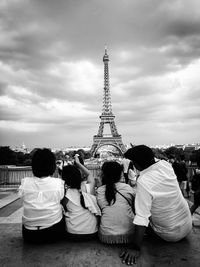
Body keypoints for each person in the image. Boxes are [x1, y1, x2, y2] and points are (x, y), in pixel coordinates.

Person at [120, 145, 192, 265]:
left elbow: (142, 218)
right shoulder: (165, 165)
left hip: (169, 235)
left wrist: (135, 247)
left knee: (135, 202)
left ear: (137, 164)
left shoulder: (144, 181)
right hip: (187, 225)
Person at [19, 148, 65, 243]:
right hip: (53, 232)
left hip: (29, 235)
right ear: (52, 166)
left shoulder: (25, 182)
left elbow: (22, 197)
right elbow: (61, 199)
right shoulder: (59, 183)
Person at [61, 154, 100, 241]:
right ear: (79, 175)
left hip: (72, 234)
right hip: (92, 233)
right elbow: (89, 174)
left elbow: (62, 208)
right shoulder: (89, 187)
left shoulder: (66, 193)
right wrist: (78, 163)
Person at [96, 161, 135, 244]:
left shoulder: (100, 190)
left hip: (106, 236)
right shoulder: (127, 188)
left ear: (103, 174)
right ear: (120, 174)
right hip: (130, 235)